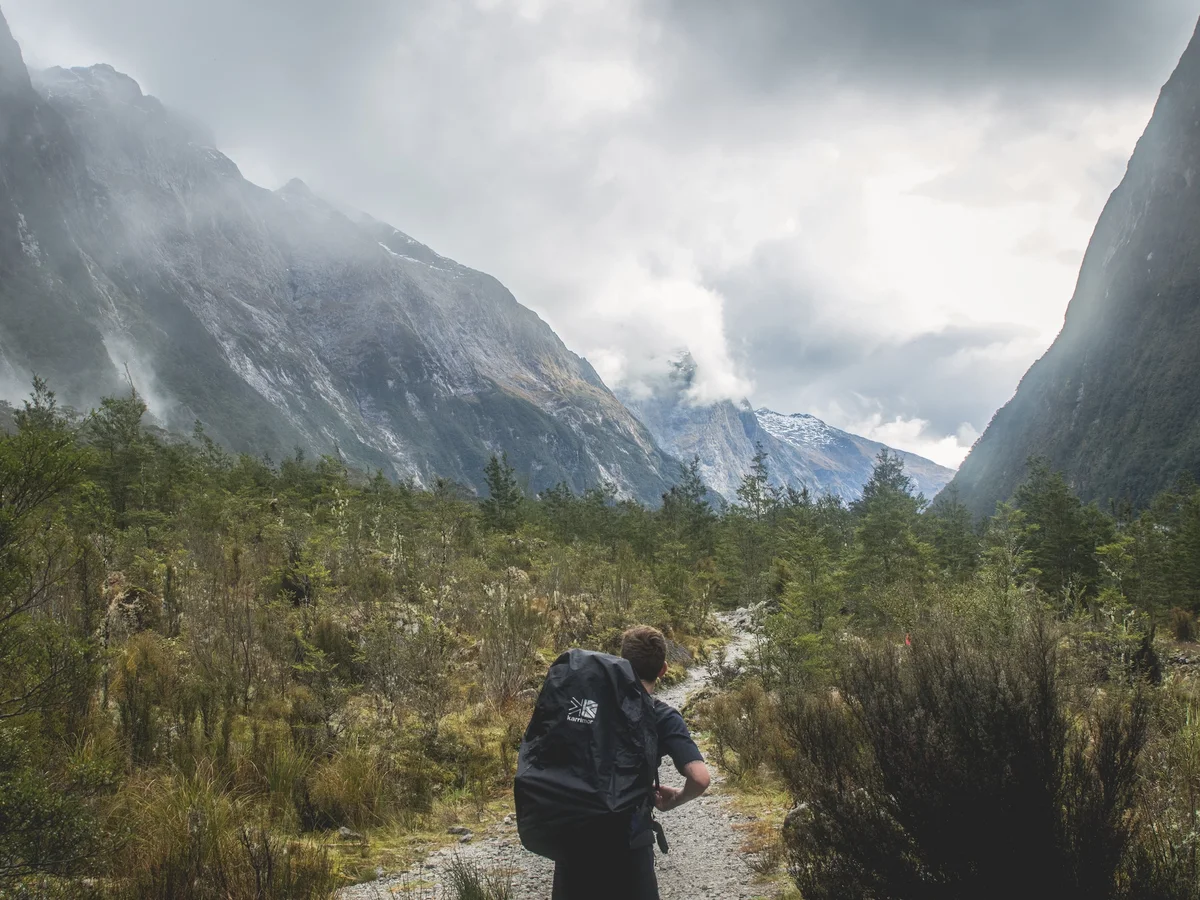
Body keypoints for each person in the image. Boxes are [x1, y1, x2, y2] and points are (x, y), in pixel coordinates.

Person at [550, 625, 712, 900]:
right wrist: (674, 800)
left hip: (574, 836)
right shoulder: (663, 716)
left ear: (621, 663)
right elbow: (700, 778)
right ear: (663, 670)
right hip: (630, 842)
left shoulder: (583, 705)